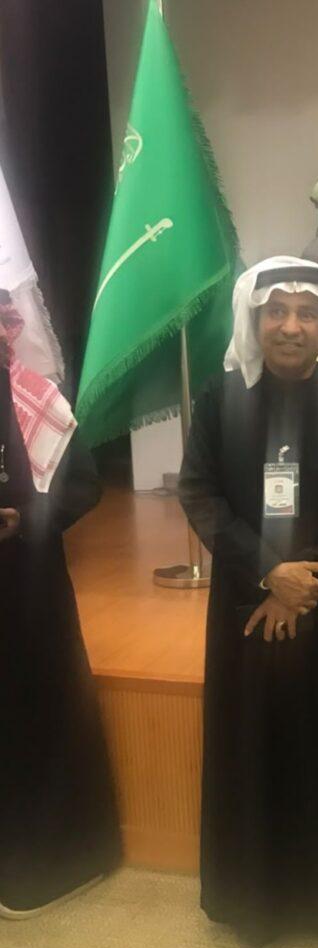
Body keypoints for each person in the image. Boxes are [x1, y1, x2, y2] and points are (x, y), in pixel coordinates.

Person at [178, 256, 318, 948]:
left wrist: (305, 581)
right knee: (256, 746)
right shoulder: (220, 399)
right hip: (248, 606)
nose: (291, 326)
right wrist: (271, 573)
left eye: (307, 313)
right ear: (255, 319)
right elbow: (199, 492)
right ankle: (258, 907)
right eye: (276, 311)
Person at [0, 292, 121, 915]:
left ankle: (59, 860)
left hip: (28, 592)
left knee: (37, 711)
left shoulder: (36, 399)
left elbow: (84, 487)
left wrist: (27, 520)